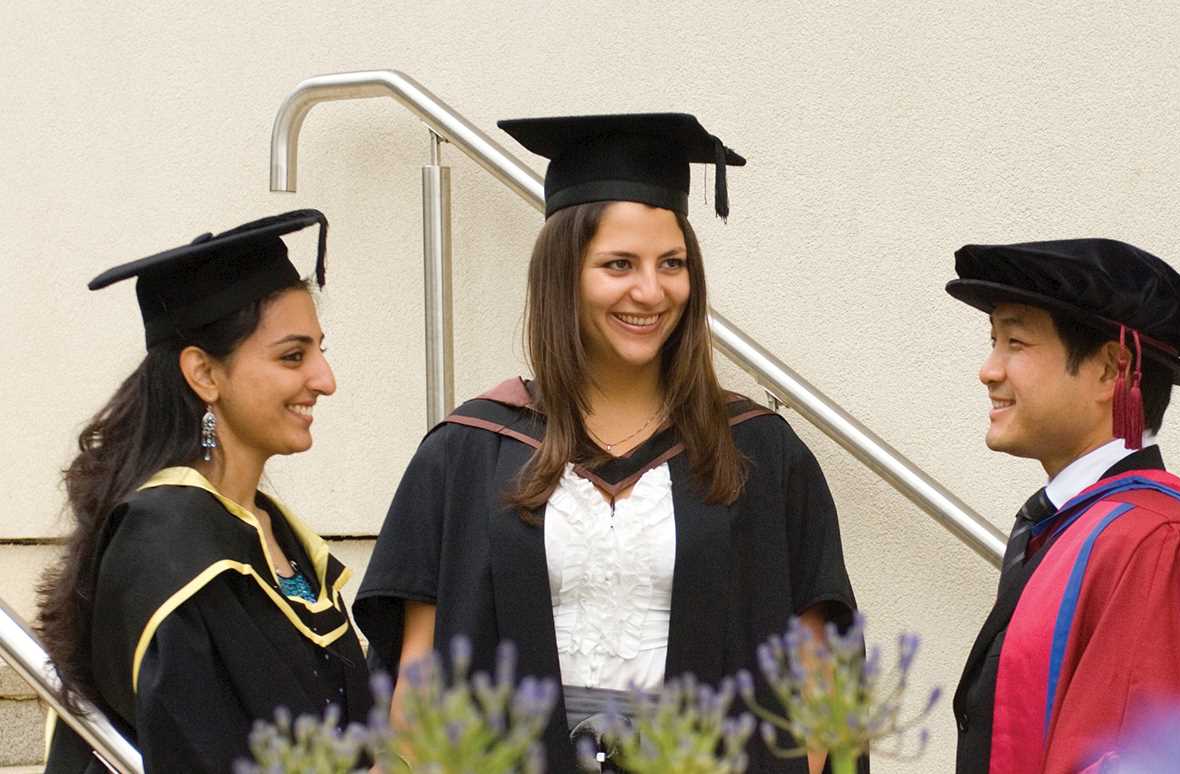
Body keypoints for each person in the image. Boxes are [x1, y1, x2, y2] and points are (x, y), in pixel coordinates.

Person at [355, 114, 861, 773]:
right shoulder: (468, 452)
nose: (650, 291)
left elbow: (816, 686)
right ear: (563, 274)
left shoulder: (759, 454)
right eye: (618, 264)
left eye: (671, 264)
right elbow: (417, 692)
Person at [944, 239, 1180, 773]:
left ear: (1111, 370)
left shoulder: (1161, 547)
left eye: (1015, 342)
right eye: (993, 341)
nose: (988, 370)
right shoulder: (1075, 529)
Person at [37, 211, 371, 773]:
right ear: (204, 374)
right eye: (293, 356)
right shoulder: (167, 546)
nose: (325, 379)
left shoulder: (270, 530)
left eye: (320, 350)